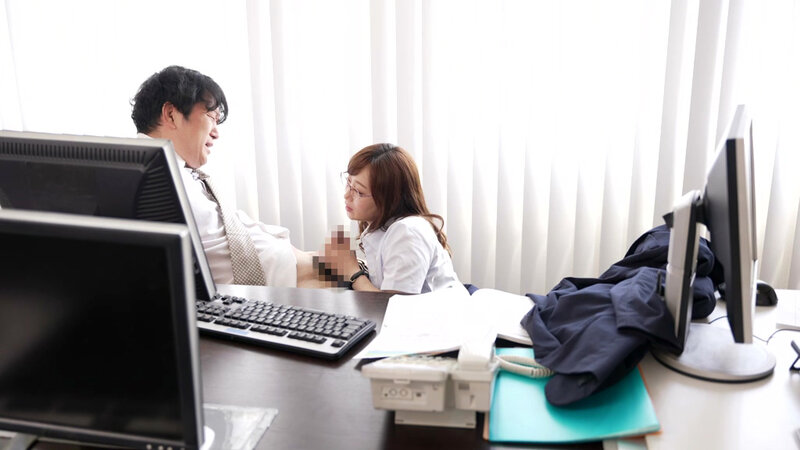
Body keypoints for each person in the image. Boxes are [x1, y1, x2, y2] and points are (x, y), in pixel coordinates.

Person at [131, 65, 323, 288]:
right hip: (263, 289)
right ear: (171, 114)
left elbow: (232, 228)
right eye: (211, 117)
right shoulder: (151, 179)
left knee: (344, 261)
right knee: (343, 270)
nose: (216, 133)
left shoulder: (180, 174)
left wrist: (300, 255)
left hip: (284, 270)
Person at [322, 143, 463, 293]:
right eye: (348, 183)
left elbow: (392, 304)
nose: (346, 195)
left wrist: (353, 272)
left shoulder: (408, 233)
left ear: (390, 199)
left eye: (359, 191)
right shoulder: (383, 227)